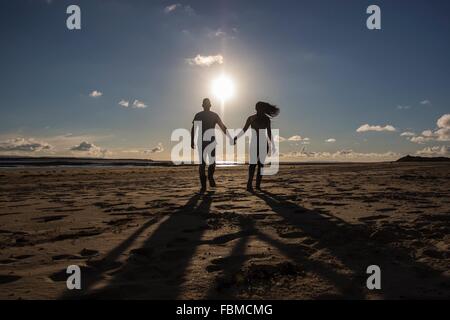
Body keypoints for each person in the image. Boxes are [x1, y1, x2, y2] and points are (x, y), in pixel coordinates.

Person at [234, 101, 279, 191]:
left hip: (263, 143)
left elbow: (269, 132)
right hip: (254, 143)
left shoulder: (266, 119)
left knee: (260, 165)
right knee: (253, 164)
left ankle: (257, 185)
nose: (259, 110)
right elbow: (244, 130)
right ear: (256, 109)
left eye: (260, 108)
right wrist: (236, 137)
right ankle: (249, 184)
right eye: (258, 108)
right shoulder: (251, 118)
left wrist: (273, 144)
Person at [191, 98, 231, 193]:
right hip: (201, 141)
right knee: (202, 163)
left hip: (212, 141)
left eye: (208, 104)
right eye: (205, 104)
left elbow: (222, 126)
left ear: (210, 105)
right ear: (202, 105)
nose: (207, 105)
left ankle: (210, 176)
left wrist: (230, 137)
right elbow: (194, 128)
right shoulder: (198, 115)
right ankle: (203, 186)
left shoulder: (214, 115)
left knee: (212, 162)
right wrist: (192, 140)